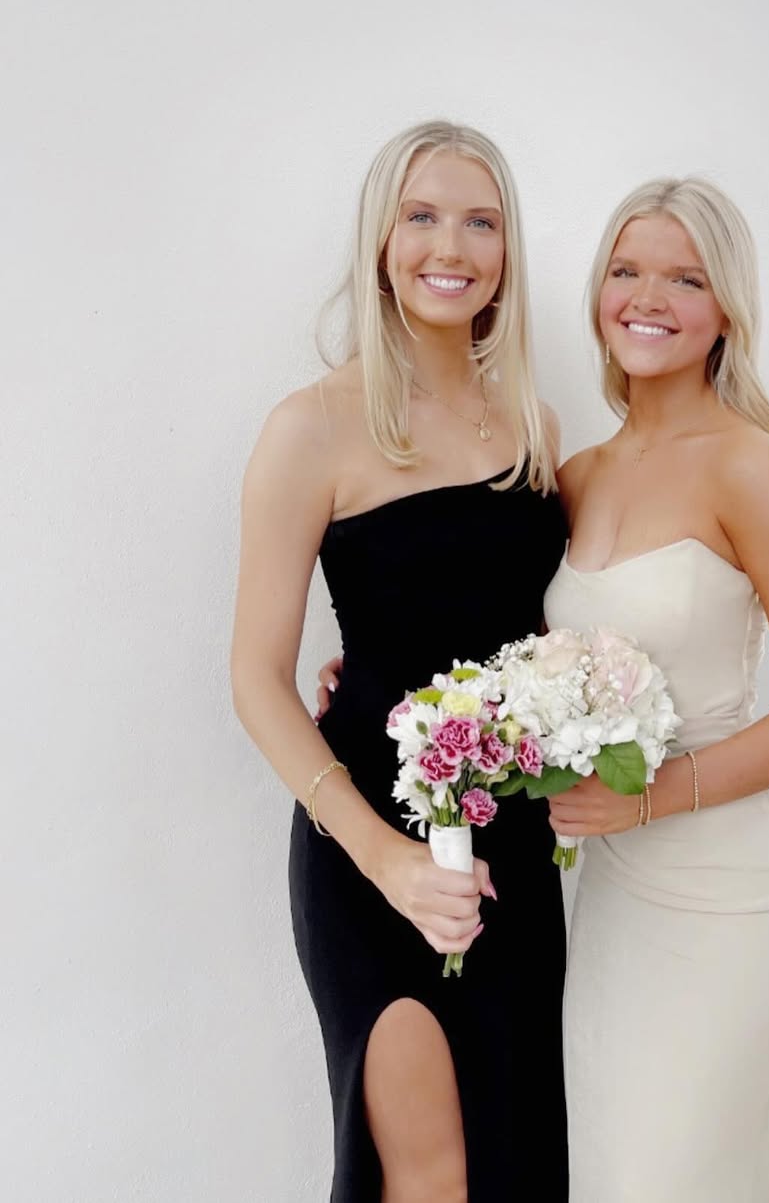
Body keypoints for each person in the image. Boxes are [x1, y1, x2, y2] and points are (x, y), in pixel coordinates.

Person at [231, 121, 568, 1203]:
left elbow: (534, 629)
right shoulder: (311, 428)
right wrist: (385, 859)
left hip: (510, 843)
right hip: (367, 843)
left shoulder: (533, 423)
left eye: (480, 221)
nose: (450, 246)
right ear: (381, 238)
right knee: (424, 1176)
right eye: (421, 215)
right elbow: (254, 678)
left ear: (508, 249)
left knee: (514, 1156)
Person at [543, 177, 769, 1202]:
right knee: (610, 1174)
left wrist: (652, 795)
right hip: (614, 902)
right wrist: (369, 665)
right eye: (628, 271)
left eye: (686, 279)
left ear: (726, 309)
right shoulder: (577, 474)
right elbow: (524, 653)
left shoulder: (749, 469)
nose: (649, 297)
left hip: (736, 901)